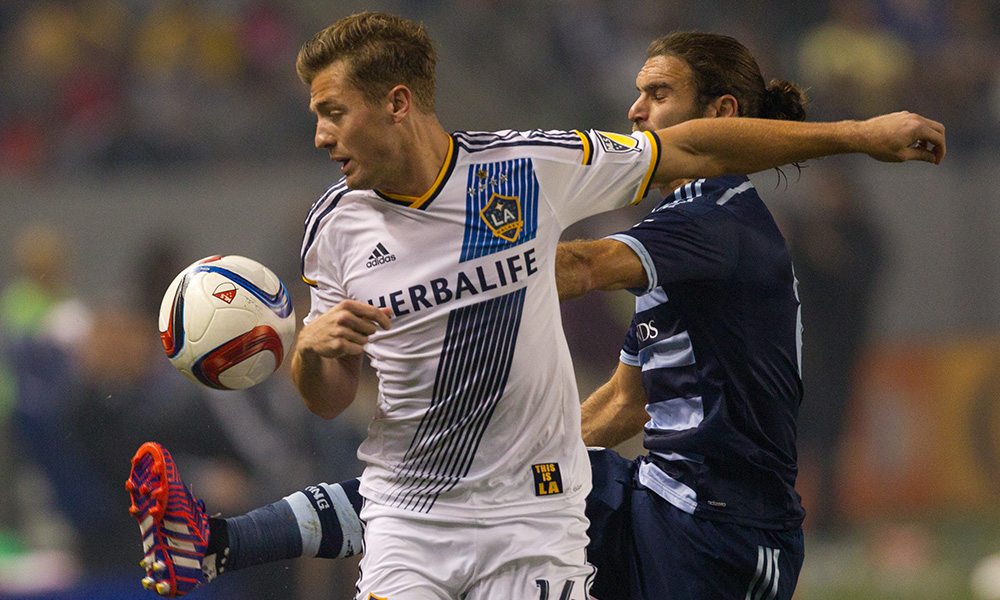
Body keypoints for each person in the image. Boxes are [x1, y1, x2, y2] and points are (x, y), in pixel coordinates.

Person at [125, 12, 945, 600]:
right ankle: (221, 539)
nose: (320, 136)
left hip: (699, 526)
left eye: (333, 112)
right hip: (532, 501)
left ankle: (227, 539)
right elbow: (628, 396)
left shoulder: (603, 193)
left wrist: (863, 133)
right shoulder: (331, 229)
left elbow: (595, 247)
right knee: (433, 480)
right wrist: (311, 351)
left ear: (398, 102)